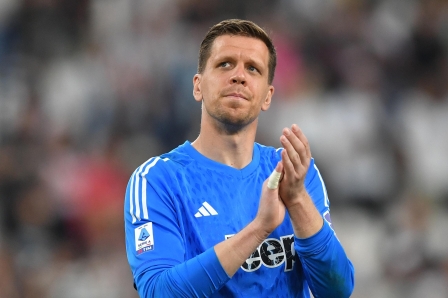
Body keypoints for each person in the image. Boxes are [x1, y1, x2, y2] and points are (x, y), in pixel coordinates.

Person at [124, 19, 355, 297]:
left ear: (267, 96)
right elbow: (159, 292)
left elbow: (338, 290)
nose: (239, 76)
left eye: (253, 69)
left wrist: (296, 200)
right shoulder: (158, 180)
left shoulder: (293, 172)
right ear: (198, 86)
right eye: (225, 64)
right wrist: (259, 228)